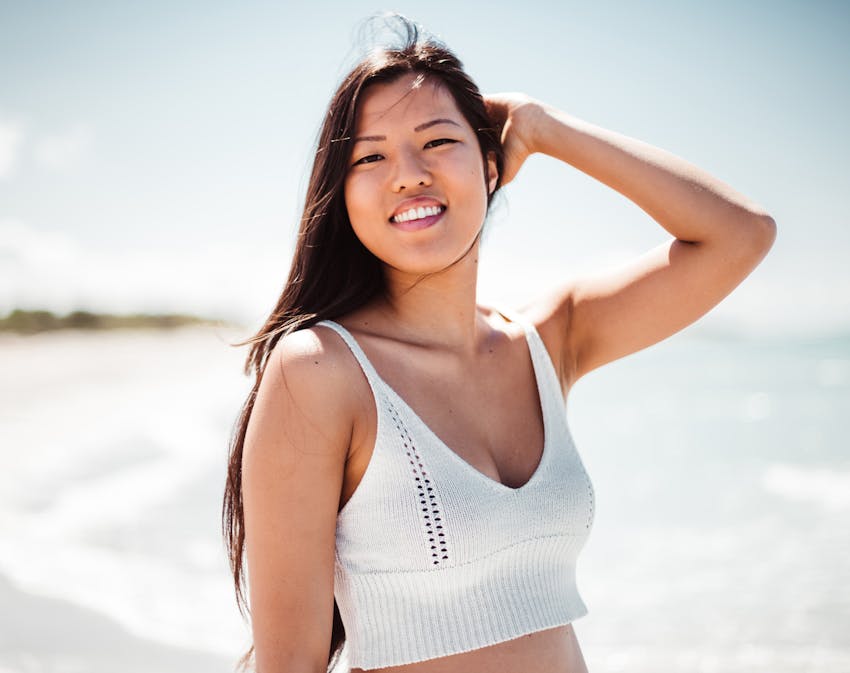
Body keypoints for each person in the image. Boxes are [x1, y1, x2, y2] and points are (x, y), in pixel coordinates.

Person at [222, 15, 776, 673]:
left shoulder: (549, 340)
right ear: (342, 196)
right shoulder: (319, 371)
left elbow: (741, 234)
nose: (407, 174)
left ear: (490, 166)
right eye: (370, 155)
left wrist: (544, 128)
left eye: (438, 141)